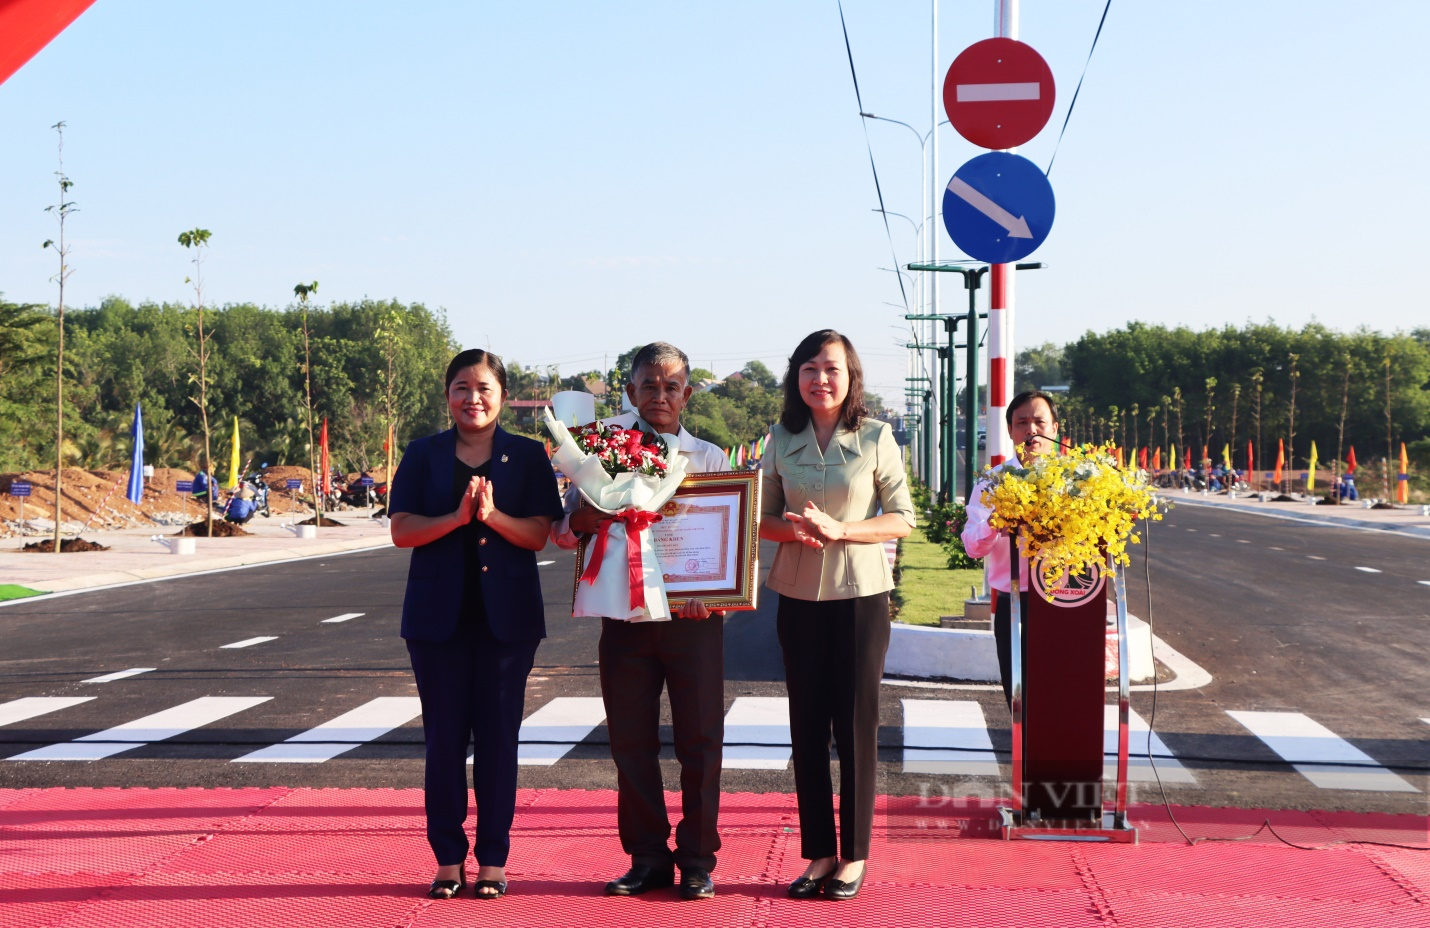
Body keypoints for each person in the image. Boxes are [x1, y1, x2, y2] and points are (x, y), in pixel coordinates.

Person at [550, 341, 729, 901]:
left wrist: (715, 594)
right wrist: (595, 509)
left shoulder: (709, 459)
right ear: (629, 392)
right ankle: (647, 856)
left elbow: (728, 544)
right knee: (631, 742)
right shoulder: (597, 452)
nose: (659, 395)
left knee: (701, 740)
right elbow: (563, 532)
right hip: (624, 616)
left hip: (691, 619)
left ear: (687, 394)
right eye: (648, 385)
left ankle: (698, 858)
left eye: (671, 385)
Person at [388, 348, 563, 901]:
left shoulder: (528, 456)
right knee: (442, 743)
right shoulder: (423, 454)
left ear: (502, 395)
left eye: (484, 388)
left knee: (497, 743)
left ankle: (492, 859)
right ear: (448, 395)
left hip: (506, 627)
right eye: (462, 388)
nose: (473, 398)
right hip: (436, 625)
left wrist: (490, 518)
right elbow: (402, 530)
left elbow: (537, 534)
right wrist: (457, 519)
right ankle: (446, 858)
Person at [758, 330, 915, 901]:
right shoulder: (779, 438)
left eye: (831, 369)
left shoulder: (876, 437)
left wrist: (842, 530)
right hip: (796, 598)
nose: (819, 380)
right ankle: (819, 854)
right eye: (809, 369)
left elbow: (901, 518)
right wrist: (798, 528)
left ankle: (854, 856)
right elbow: (762, 517)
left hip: (859, 598)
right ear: (794, 378)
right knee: (806, 729)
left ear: (851, 378)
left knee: (854, 729)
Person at [961, 390, 1063, 706]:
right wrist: (995, 522)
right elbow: (972, 546)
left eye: (1039, 422)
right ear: (1011, 431)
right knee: (1022, 703)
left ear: (1055, 429)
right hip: (1016, 604)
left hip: (1069, 603)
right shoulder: (992, 483)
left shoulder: (1079, 481)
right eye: (1022, 423)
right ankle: (1028, 755)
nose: (1031, 430)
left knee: (1063, 700)